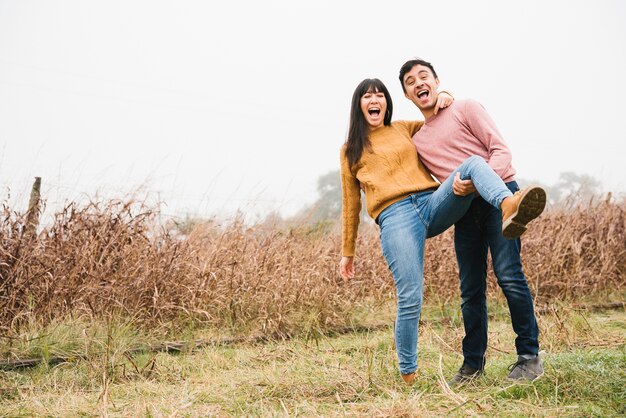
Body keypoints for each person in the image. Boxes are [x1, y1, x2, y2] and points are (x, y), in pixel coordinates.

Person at [339, 77, 546, 385]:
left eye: (380, 95)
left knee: (472, 162)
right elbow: (350, 204)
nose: (375, 100)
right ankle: (408, 374)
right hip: (394, 217)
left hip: (430, 202)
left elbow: (435, 117)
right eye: (368, 96)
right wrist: (347, 253)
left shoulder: (403, 129)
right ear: (359, 105)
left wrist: (445, 95)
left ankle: (508, 204)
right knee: (410, 296)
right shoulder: (350, 150)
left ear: (387, 102)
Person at [398, 58, 545, 384]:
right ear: (407, 95)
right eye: (411, 81)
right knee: (470, 291)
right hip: (465, 212)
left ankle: (529, 358)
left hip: (500, 198)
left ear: (437, 81)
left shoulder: (465, 107)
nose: (419, 82)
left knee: (508, 275)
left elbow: (501, 151)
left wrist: (482, 180)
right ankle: (472, 366)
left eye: (424, 76)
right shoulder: (417, 141)